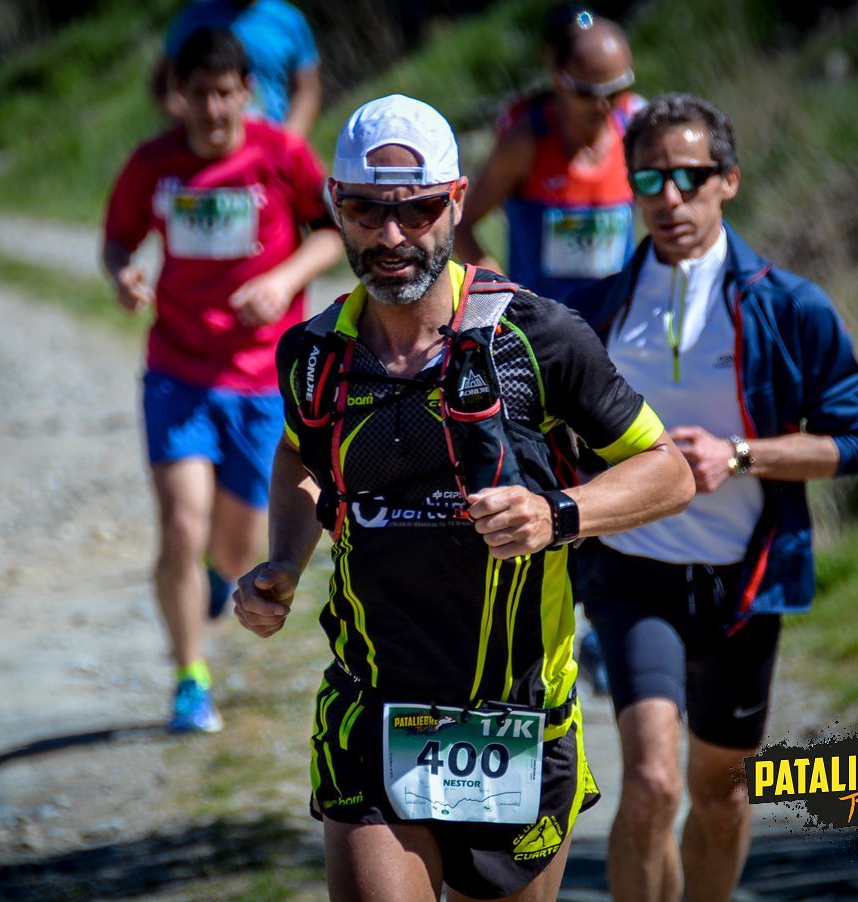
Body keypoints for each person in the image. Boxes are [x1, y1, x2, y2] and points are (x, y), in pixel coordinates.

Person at [233, 94, 695, 901]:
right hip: (374, 706)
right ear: (336, 208)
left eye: (415, 211)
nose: (392, 236)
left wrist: (557, 516)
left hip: (515, 718)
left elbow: (669, 471)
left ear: (454, 202)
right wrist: (282, 561)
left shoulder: (537, 338)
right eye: (369, 210)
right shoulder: (314, 356)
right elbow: (299, 455)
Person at [566, 93, 858, 901]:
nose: (669, 197)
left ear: (727, 181)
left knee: (720, 791)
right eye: (648, 180)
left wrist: (738, 454)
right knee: (653, 784)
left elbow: (849, 443)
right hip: (633, 575)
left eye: (689, 177)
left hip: (741, 583)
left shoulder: (789, 307)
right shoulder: (597, 310)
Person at [102, 28, 342, 734]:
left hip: (264, 376)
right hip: (179, 370)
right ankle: (189, 678)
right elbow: (116, 239)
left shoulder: (281, 153)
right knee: (181, 525)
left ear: (248, 93)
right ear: (180, 95)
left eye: (226, 94)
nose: (212, 110)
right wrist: (123, 273)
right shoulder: (153, 163)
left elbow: (331, 231)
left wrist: (284, 278)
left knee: (237, 550)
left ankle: (210, 578)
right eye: (199, 94)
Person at [453, 6, 644, 302]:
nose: (604, 106)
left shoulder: (633, 129)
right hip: (548, 337)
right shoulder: (526, 139)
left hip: (618, 329)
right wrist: (506, 298)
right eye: (588, 93)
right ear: (558, 76)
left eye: (616, 91)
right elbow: (460, 222)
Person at [152, 0, 322, 136]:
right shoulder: (193, 18)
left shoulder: (288, 19)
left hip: (273, 136)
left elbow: (307, 89)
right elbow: (162, 84)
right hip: (213, 153)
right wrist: (195, 117)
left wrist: (288, 140)